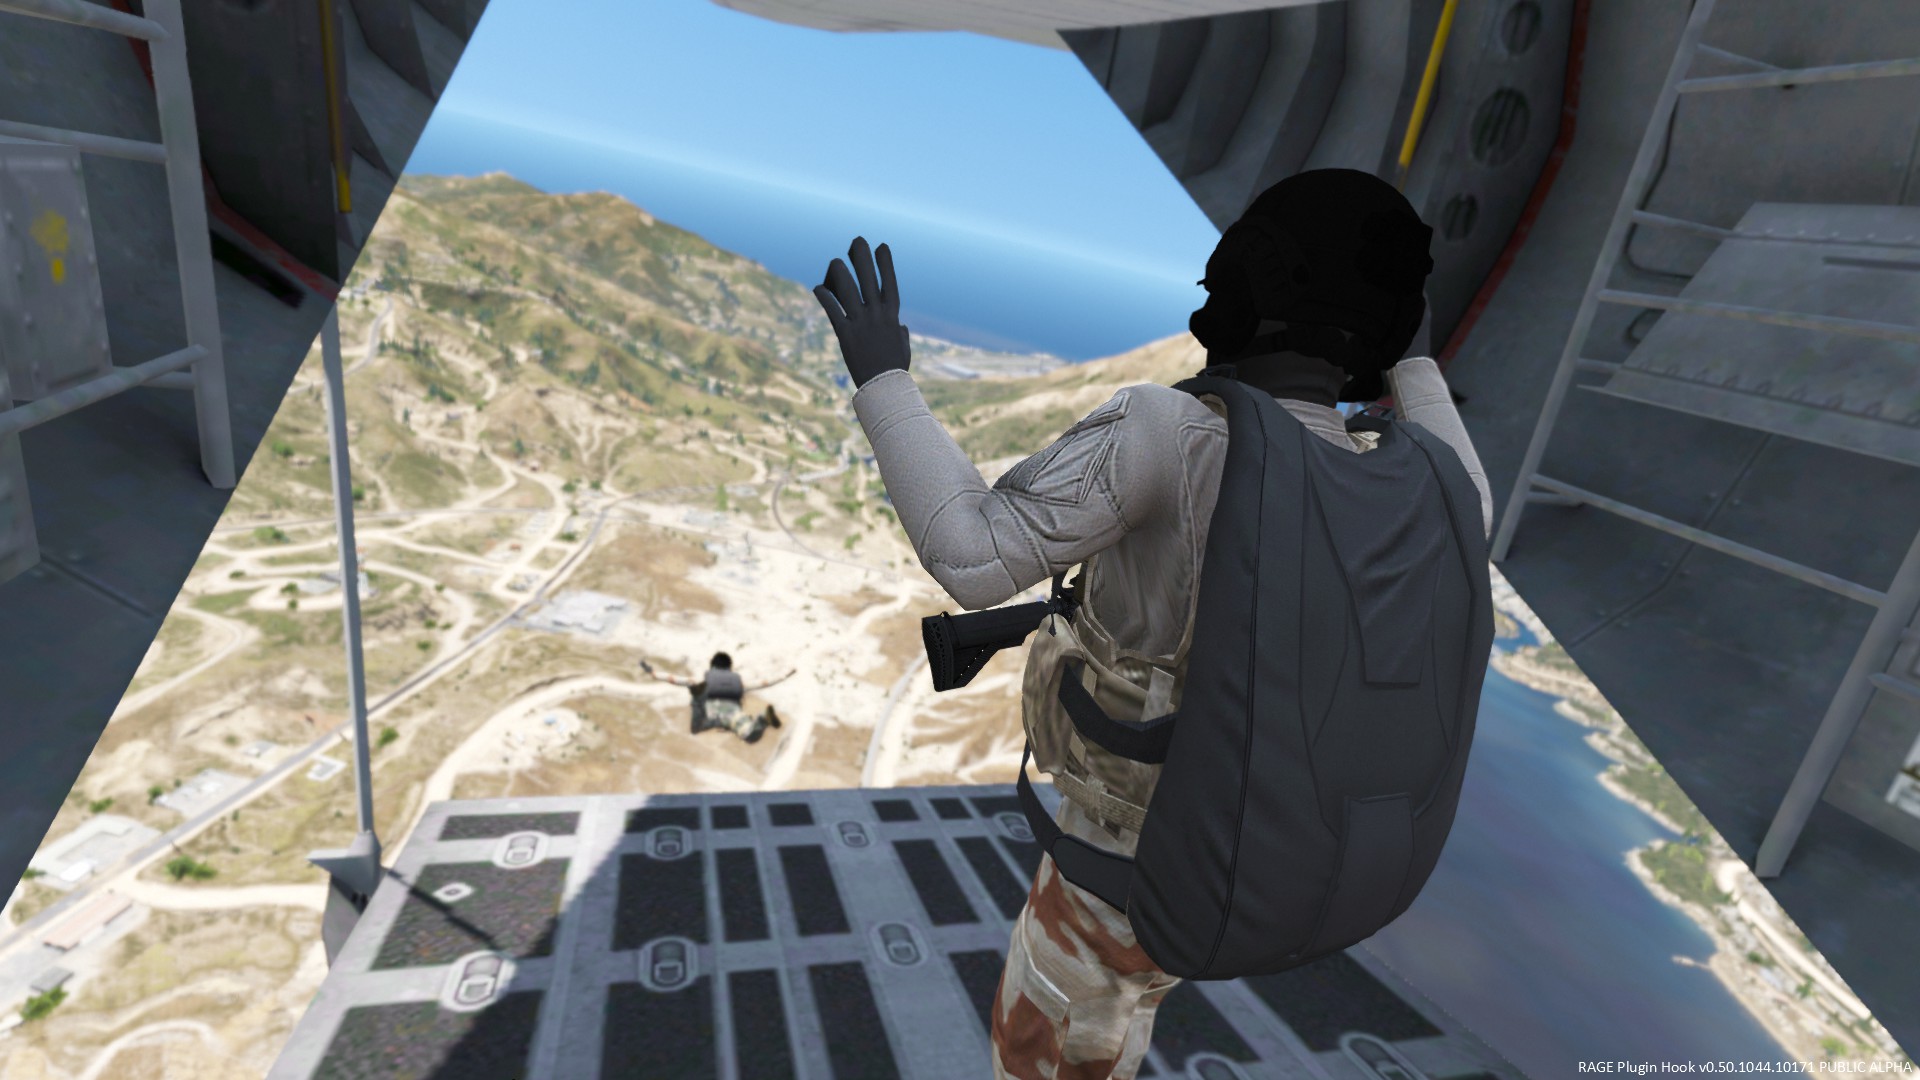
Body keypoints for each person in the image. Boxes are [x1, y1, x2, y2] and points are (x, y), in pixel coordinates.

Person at [814, 168, 1492, 1080]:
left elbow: (971, 557)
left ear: (1247, 279)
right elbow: (1458, 473)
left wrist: (883, 376)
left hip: (1122, 870)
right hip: (1282, 856)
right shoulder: (1442, 485)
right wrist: (1411, 362)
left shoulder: (1168, 433)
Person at [640, 652, 789, 744]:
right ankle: (762, 719)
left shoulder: (703, 679)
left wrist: (653, 673)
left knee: (695, 728)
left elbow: (673, 679)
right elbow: (764, 683)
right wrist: (785, 675)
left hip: (712, 715)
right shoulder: (737, 682)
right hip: (733, 714)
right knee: (749, 735)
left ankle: (697, 697)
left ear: (712, 666)